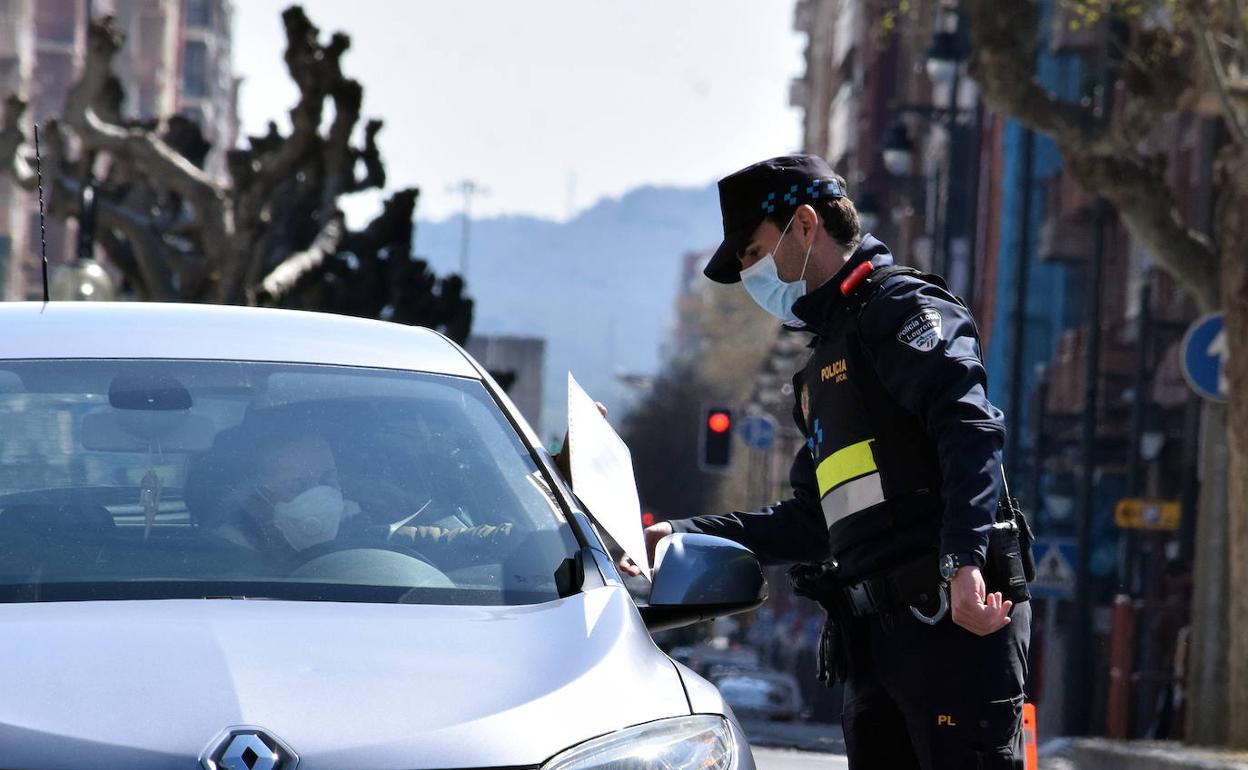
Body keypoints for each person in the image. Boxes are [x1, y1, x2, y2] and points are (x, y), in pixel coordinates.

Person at [621, 155, 1032, 769]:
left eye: (757, 253)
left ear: (805, 225)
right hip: (875, 643)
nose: (756, 275)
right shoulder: (821, 369)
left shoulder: (901, 310)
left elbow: (969, 431)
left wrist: (964, 562)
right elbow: (811, 525)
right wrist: (677, 536)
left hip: (952, 624)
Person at [186, 427, 513, 566]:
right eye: (299, 485)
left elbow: (444, 541)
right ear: (254, 496)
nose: (321, 494)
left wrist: (525, 539)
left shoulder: (359, 536)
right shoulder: (218, 559)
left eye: (328, 479)